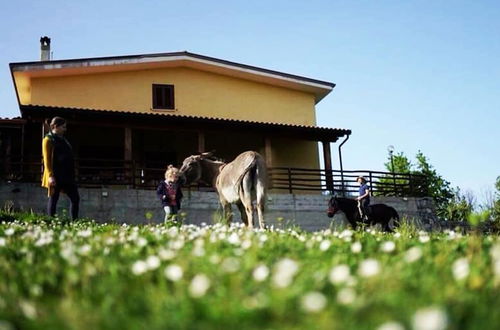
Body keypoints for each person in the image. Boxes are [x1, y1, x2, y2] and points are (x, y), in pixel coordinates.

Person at [42, 117, 80, 220]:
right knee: (54, 199)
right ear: (55, 126)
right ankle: (51, 222)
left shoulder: (64, 140)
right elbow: (47, 160)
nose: (65, 129)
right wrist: (50, 176)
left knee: (75, 198)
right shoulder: (48, 140)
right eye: (63, 127)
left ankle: (75, 222)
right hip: (56, 175)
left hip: (67, 175)